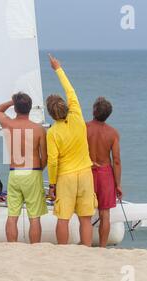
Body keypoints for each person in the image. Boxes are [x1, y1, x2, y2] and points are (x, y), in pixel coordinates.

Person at [46, 54, 96, 247]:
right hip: (85, 173)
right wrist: (58, 68)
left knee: (63, 218)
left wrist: (52, 184)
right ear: (66, 106)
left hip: (65, 177)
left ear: (51, 113)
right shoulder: (77, 115)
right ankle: (86, 248)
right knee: (85, 217)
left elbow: (52, 161)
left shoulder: (53, 132)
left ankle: (63, 251)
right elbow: (70, 90)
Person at [0, 92, 48, 244]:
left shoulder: (8, 125)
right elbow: (45, 157)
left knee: (12, 215)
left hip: (15, 173)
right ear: (30, 108)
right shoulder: (38, 129)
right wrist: (38, 170)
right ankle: (35, 248)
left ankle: (12, 247)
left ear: (16, 108)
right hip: (33, 172)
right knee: (34, 216)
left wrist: (12, 101)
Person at [87, 97, 123, 248]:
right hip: (105, 173)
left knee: (86, 214)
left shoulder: (84, 128)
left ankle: (86, 245)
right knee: (104, 213)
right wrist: (118, 184)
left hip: (87, 171)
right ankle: (102, 247)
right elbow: (116, 160)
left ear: (94, 110)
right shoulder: (112, 133)